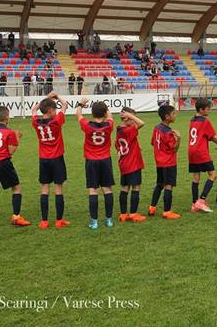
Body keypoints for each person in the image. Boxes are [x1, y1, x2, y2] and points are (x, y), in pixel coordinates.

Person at [0, 106, 31, 228]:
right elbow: (11, 151)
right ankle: (16, 217)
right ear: (6, 117)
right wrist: (18, 138)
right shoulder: (9, 132)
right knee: (16, 188)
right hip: (3, 162)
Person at [32, 92, 70, 229]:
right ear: (51, 110)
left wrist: (47, 98)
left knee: (44, 188)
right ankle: (59, 220)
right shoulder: (57, 121)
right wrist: (57, 96)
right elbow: (65, 105)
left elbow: (34, 109)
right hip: (57, 158)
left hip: (44, 159)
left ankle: (44, 221)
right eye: (54, 109)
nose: (56, 111)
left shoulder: (35, 121)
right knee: (58, 188)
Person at [77, 98, 115, 230]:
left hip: (91, 161)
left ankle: (94, 221)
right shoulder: (109, 125)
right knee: (107, 189)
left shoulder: (87, 125)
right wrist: (106, 110)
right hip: (105, 160)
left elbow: (79, 115)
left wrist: (81, 104)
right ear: (105, 113)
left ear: (92, 114)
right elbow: (110, 116)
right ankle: (109, 219)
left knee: (93, 190)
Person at [188, 98, 217, 213]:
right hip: (201, 151)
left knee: (196, 177)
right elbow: (212, 136)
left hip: (191, 150)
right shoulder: (205, 121)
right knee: (213, 175)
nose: (210, 111)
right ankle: (201, 200)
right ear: (201, 110)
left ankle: (194, 204)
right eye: (208, 109)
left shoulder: (192, 119)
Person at [148, 105, 181, 219]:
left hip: (159, 162)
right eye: (173, 113)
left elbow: (153, 142)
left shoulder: (156, 128)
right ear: (167, 117)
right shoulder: (169, 133)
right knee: (168, 186)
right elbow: (175, 149)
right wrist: (179, 139)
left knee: (160, 184)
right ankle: (167, 212)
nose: (175, 115)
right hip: (169, 162)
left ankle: (152, 207)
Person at [115, 107, 147, 223]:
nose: (134, 121)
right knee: (136, 187)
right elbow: (141, 123)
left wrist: (136, 148)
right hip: (133, 163)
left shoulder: (119, 131)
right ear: (127, 118)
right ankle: (133, 214)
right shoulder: (128, 131)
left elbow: (119, 146)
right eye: (132, 119)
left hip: (124, 164)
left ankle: (123, 214)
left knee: (124, 188)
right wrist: (130, 115)